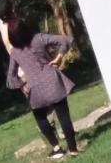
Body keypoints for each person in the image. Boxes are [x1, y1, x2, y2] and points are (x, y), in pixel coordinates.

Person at [7, 20, 79, 159]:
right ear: (25, 29)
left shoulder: (14, 52)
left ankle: (56, 147)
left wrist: (21, 85)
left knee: (40, 118)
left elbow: (11, 76)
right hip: (53, 81)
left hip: (35, 89)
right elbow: (64, 40)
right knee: (63, 116)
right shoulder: (38, 38)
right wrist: (58, 58)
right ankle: (73, 150)